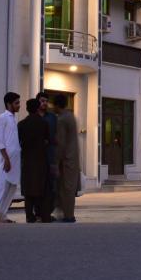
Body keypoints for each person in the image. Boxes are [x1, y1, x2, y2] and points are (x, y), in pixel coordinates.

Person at [0, 92, 21, 223]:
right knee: (0, 187)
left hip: (15, 160)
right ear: (9, 104)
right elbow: (0, 140)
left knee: (12, 187)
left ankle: (3, 214)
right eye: (16, 103)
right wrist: (6, 159)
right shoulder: (2, 118)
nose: (19, 105)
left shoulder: (13, 118)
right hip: (5, 160)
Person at [18, 98, 50, 223]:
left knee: (28, 189)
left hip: (26, 160)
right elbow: (47, 140)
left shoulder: (21, 124)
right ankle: (41, 214)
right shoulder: (43, 123)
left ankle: (29, 215)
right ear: (38, 108)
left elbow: (18, 142)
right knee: (41, 188)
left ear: (27, 109)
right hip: (41, 159)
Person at [53, 93, 80, 223]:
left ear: (57, 105)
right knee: (69, 187)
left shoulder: (62, 119)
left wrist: (56, 162)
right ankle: (67, 214)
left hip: (66, 160)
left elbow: (61, 143)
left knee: (66, 188)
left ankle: (68, 215)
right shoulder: (71, 116)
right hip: (73, 158)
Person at [37, 91, 58, 220]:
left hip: (51, 156)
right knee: (38, 185)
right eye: (42, 101)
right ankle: (38, 213)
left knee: (51, 186)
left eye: (46, 101)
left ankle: (47, 213)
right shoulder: (33, 116)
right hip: (37, 158)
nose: (44, 103)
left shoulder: (52, 117)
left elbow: (56, 135)